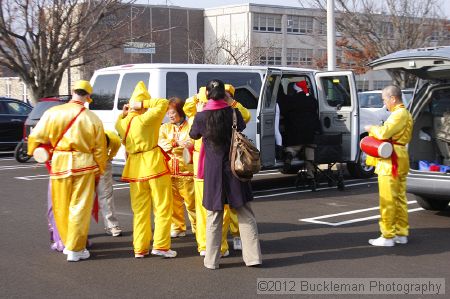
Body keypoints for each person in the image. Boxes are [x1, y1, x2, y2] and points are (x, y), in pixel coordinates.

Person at [28, 80, 107, 262]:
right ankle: (75, 248)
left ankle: (65, 243)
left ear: (73, 92)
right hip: (84, 165)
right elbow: (100, 149)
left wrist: (39, 151)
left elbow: (35, 137)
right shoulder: (92, 118)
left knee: (61, 206)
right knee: (80, 207)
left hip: (60, 164)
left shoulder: (52, 113)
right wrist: (99, 169)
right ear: (88, 97)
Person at [190, 79, 262, 269]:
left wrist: (199, 109)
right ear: (225, 94)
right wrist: (232, 103)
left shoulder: (201, 116)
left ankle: (212, 261)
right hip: (235, 167)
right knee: (245, 213)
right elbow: (242, 127)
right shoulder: (233, 112)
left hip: (213, 171)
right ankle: (253, 258)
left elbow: (193, 135)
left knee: (214, 215)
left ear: (207, 95)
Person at [115, 81, 176, 258]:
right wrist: (143, 104)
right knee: (162, 207)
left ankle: (140, 248)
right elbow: (163, 103)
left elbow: (118, 124)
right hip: (154, 165)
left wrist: (124, 113)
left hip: (134, 168)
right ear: (141, 103)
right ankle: (161, 246)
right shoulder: (146, 118)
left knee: (140, 210)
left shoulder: (122, 123)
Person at [365, 85, 413, 247]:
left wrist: (371, 128)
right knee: (399, 198)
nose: (385, 103)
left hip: (391, 160)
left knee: (387, 200)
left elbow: (384, 133)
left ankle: (387, 236)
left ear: (393, 98)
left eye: (385, 100)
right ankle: (401, 233)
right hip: (400, 156)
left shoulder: (398, 114)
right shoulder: (404, 113)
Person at [158, 97, 196, 238]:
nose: (170, 115)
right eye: (168, 112)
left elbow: (191, 142)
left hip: (186, 172)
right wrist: (175, 144)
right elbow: (161, 143)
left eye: (172, 112)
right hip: (169, 171)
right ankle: (178, 227)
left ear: (180, 111)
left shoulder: (190, 125)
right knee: (174, 204)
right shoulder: (165, 127)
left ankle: (198, 228)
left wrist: (179, 145)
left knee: (192, 204)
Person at [278, 80, 321, 184]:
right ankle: (311, 176)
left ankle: (289, 156)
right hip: (310, 132)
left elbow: (284, 111)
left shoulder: (291, 99)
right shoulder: (313, 100)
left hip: (295, 131)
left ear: (296, 89)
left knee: (293, 148)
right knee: (309, 152)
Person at [97, 130, 123, 237]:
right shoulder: (87, 138)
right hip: (86, 162)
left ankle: (112, 225)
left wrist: (109, 156)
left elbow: (115, 150)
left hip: (104, 162)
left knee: (106, 194)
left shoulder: (114, 140)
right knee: (83, 198)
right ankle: (79, 230)